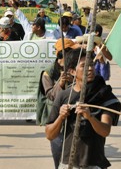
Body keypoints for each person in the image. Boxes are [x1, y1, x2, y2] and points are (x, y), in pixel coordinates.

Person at [45, 48, 121, 168]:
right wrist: (61, 117)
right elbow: (50, 134)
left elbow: (105, 131)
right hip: (67, 163)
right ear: (72, 71)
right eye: (84, 66)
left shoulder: (103, 95)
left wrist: (89, 117)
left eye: (91, 65)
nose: (90, 69)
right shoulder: (64, 96)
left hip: (94, 163)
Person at [36, 39, 79, 169]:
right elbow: (51, 95)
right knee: (58, 153)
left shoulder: (75, 69)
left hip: (74, 118)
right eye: (70, 52)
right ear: (62, 54)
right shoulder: (48, 73)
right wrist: (60, 83)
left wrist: (75, 79)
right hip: (57, 120)